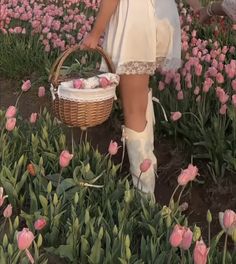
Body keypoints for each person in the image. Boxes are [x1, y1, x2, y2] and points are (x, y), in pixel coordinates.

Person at [80, 0, 202, 195]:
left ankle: (144, 194)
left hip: (134, 22)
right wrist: (198, 8)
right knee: (139, 95)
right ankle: (148, 167)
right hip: (157, 14)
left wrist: (95, 33)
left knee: (133, 108)